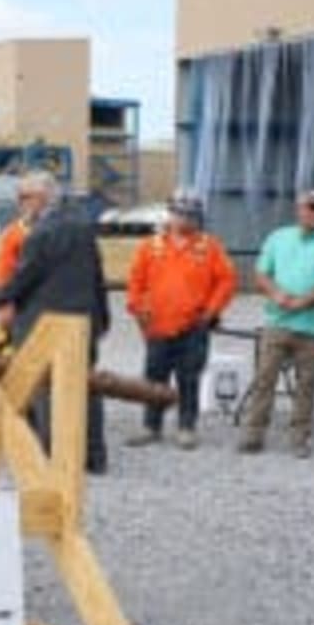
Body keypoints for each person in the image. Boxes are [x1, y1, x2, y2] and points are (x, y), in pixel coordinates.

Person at [0, 171, 111, 474]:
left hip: (43, 326)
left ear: (41, 197)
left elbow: (23, 279)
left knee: (43, 388)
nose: (19, 204)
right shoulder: (82, 227)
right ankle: (94, 456)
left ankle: (52, 457)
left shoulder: (40, 233)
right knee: (87, 388)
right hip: (83, 321)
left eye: (23, 197)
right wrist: (102, 318)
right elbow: (97, 276)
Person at [237, 190, 314, 458]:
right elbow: (261, 273)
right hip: (277, 322)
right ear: (298, 208)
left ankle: (299, 438)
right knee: (264, 379)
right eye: (309, 207)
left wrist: (305, 301)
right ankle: (253, 434)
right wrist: (276, 293)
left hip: (313, 326)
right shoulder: (278, 237)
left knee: (307, 385)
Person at [125, 191, 237, 450]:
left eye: (190, 215)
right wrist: (139, 308)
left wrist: (211, 311)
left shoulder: (210, 247)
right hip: (158, 326)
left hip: (194, 327)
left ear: (198, 218)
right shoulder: (150, 246)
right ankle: (150, 426)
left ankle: (187, 428)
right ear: (170, 214)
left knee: (189, 378)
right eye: (179, 213)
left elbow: (226, 281)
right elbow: (135, 282)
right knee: (154, 378)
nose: (184, 220)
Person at [0, 180, 41, 352]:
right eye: (23, 198)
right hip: (19, 306)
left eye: (31, 198)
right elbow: (3, 273)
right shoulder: (12, 233)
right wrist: (4, 304)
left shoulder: (50, 230)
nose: (27, 203)